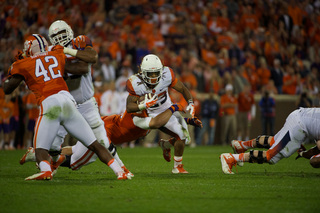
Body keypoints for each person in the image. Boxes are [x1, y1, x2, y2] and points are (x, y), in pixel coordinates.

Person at [2, 34, 129, 180]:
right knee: (94, 144)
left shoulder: (24, 63)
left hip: (49, 104)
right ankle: (119, 172)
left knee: (40, 149)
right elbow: (79, 68)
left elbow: (7, 89)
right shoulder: (56, 54)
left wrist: (14, 70)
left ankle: (46, 170)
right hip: (68, 101)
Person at [47, 20, 128, 176]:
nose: (59, 37)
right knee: (53, 144)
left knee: (102, 140)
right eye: (55, 35)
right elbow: (79, 66)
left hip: (86, 103)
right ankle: (50, 164)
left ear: (69, 31)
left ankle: (122, 168)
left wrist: (64, 55)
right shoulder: (50, 52)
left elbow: (88, 61)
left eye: (62, 33)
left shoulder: (80, 41)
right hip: (64, 104)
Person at [20, 103, 203, 172]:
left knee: (75, 150)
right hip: (103, 132)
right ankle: (45, 160)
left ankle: (35, 154)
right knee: (76, 162)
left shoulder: (148, 114)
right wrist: (174, 108)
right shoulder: (140, 118)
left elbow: (164, 120)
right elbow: (158, 122)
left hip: (106, 126)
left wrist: (189, 121)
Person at [126, 54, 196, 173]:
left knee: (184, 136)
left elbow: (183, 88)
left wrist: (190, 102)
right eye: (150, 74)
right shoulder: (135, 82)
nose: (153, 77)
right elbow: (129, 107)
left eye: (156, 73)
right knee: (177, 133)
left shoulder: (167, 74)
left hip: (166, 108)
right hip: (149, 113)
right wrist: (143, 105)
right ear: (143, 72)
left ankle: (173, 159)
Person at [220, 107, 320, 174]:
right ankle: (230, 158)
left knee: (274, 142)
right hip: (299, 126)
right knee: (272, 157)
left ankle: (242, 146)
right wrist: (304, 154)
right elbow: (314, 161)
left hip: (298, 115)